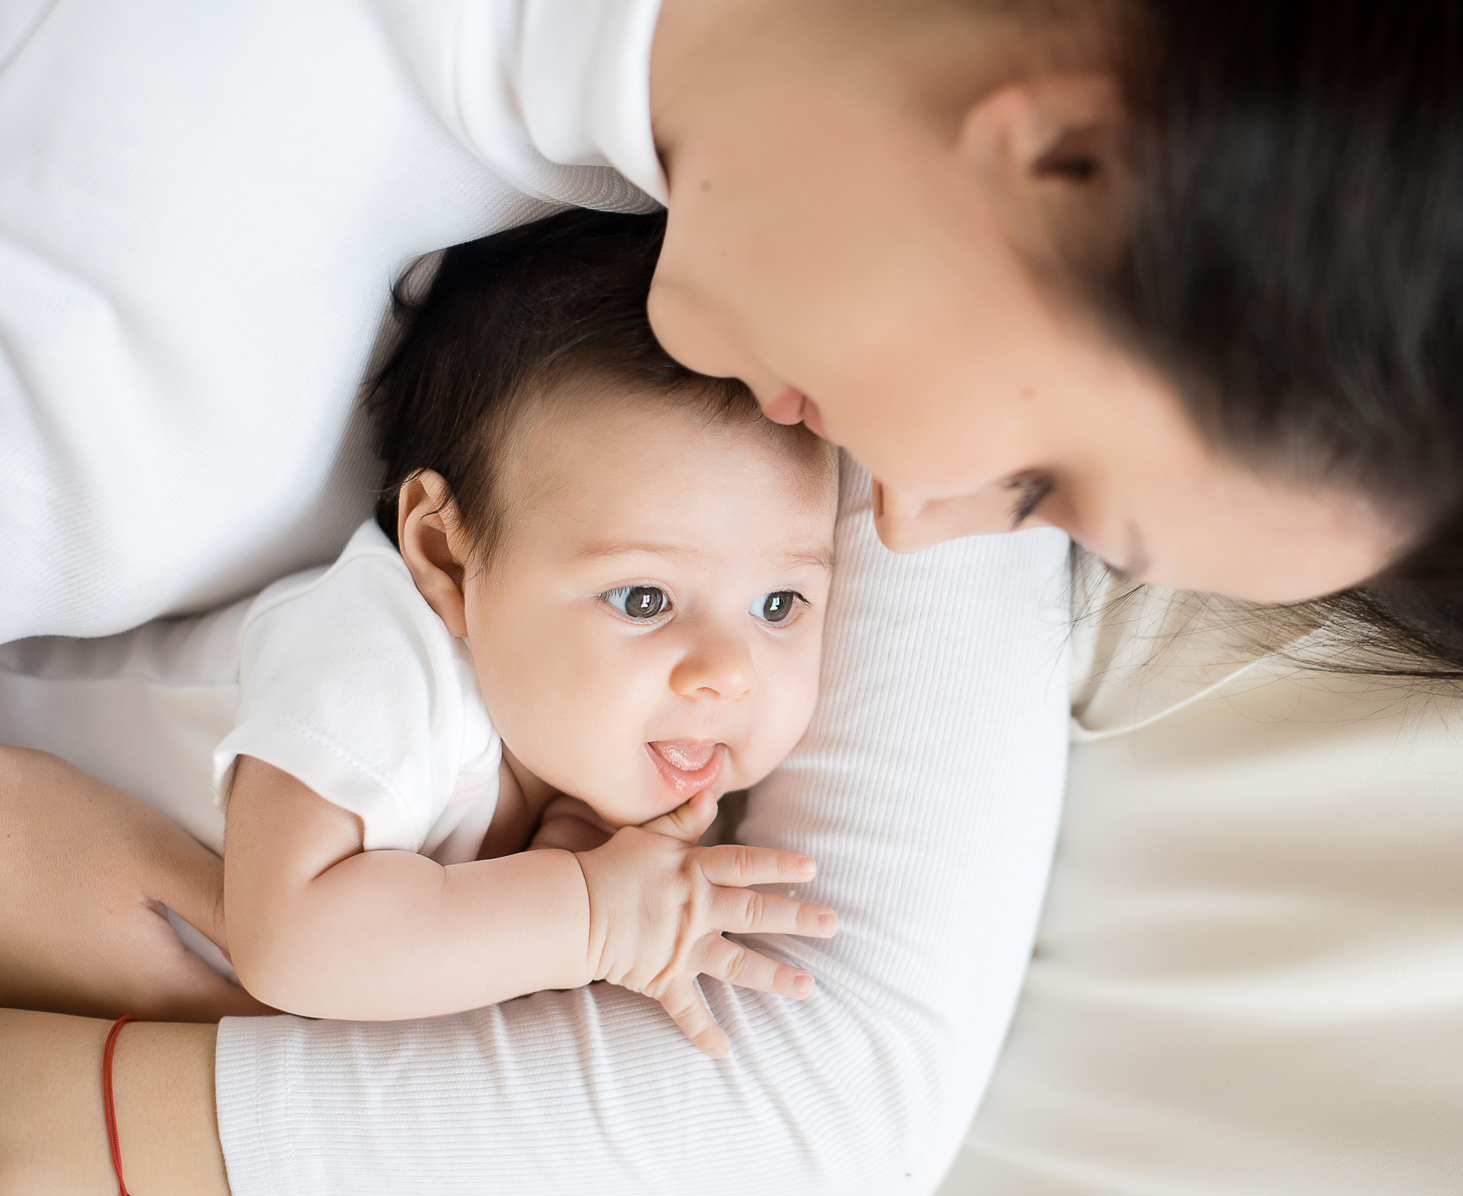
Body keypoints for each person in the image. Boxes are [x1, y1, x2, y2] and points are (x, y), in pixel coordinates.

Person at [3, 0, 1463, 1196]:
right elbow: (800, 1109)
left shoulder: (731, 188)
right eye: (1046, 494)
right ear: (1069, 148)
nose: (923, 536)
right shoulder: (103, 351)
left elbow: (809, 1099)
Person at [2, 210, 844, 1052]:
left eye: (779, 606)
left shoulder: (574, 740)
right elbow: (290, 943)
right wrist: (589, 913)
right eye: (643, 600)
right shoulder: (381, 658)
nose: (726, 673)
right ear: (446, 559)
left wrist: (573, 853)